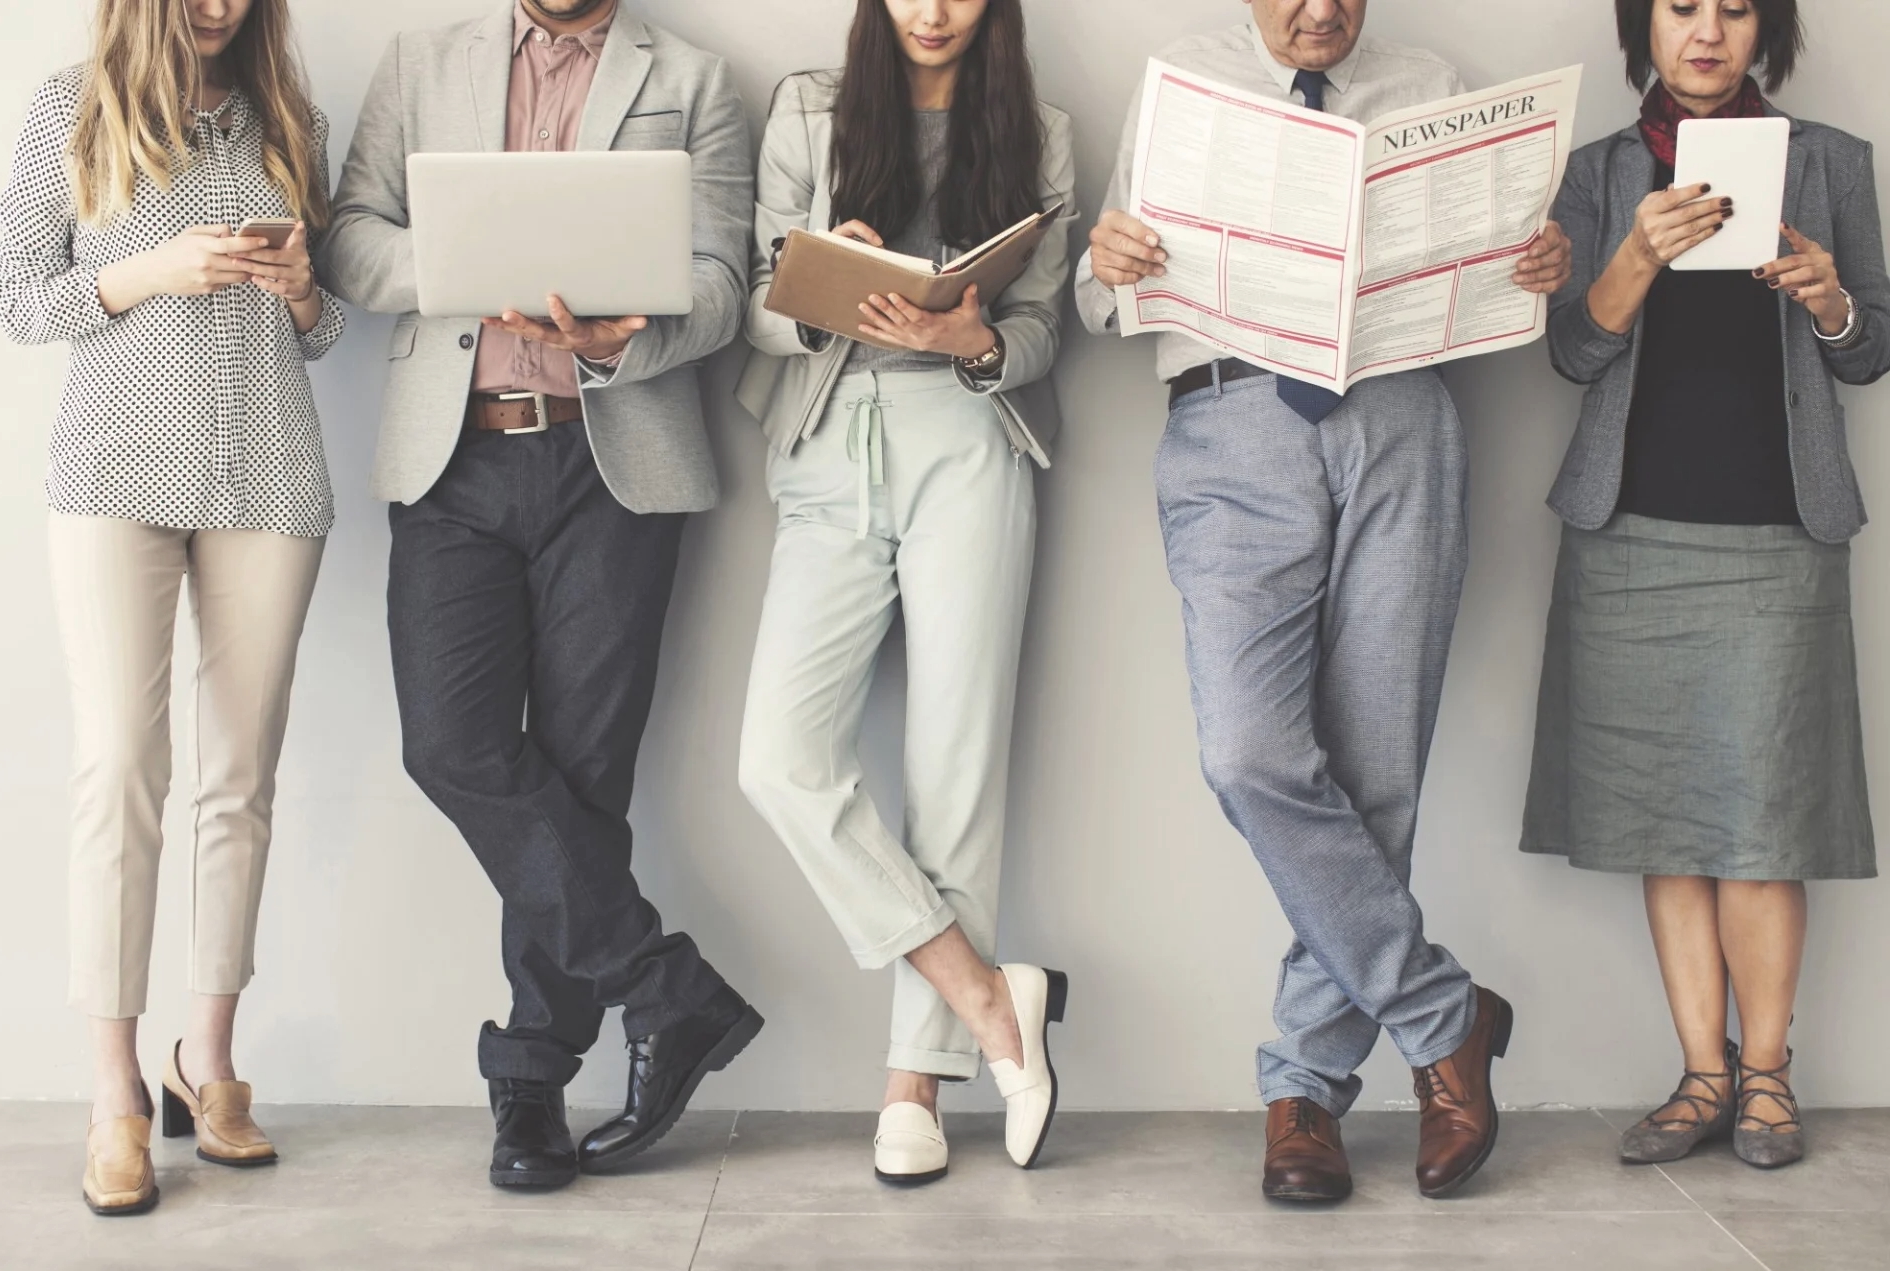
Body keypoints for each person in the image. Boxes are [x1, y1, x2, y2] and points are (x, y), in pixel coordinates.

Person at [1078, 0, 1573, 1202]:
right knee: (1249, 750)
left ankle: (1304, 1088)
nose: (1320, 11)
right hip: (1231, 420)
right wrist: (1110, 266)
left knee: (1377, 767)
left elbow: (1494, 292)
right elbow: (1100, 302)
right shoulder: (1183, 87)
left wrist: (1536, 269)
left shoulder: (1431, 85)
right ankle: (1443, 1012)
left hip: (1403, 415)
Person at [318, 0, 761, 1191]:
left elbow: (723, 281)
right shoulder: (422, 62)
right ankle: (665, 989)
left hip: (612, 462)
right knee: (452, 745)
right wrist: (468, 264)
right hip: (453, 460)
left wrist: (625, 336)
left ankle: (529, 1084)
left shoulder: (696, 82)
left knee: (580, 774)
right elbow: (349, 238)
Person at [1522, 0, 1887, 1170]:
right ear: (1648, 29)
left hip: (1779, 529)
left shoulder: (1830, 163)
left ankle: (1770, 1079)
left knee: (1763, 823)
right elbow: (1573, 353)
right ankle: (1702, 1075)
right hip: (1628, 534)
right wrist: (1635, 251)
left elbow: (1873, 346)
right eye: (1683, 8)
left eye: (1735, 9)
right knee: (1662, 820)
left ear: (1762, 32)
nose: (1709, 32)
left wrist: (1828, 296)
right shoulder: (1599, 172)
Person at [0, 0, 342, 1218]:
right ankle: (115, 1095)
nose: (220, 4)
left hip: (267, 473)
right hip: (113, 480)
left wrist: (300, 289)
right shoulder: (70, 110)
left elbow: (328, 327)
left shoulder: (290, 119)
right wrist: (153, 269)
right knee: (120, 769)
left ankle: (212, 1060)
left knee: (240, 779)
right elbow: (20, 298)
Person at [734, 0, 1076, 1184]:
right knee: (778, 756)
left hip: (969, 443)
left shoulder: (1040, 133)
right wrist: (824, 271)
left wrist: (967, 345)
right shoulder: (806, 113)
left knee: (953, 767)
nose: (935, 11)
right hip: (830, 439)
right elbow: (750, 308)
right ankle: (988, 997)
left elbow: (1040, 330)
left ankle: (915, 1084)